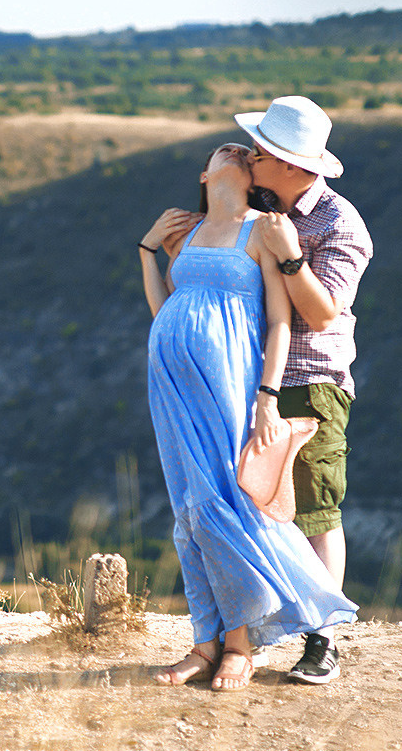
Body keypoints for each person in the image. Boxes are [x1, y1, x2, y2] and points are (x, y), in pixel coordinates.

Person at [138, 141, 357, 691]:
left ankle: (251, 641)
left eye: (254, 150)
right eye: (229, 150)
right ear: (205, 175)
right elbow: (171, 307)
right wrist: (147, 252)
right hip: (174, 387)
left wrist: (265, 394)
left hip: (253, 383)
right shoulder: (183, 235)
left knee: (236, 504)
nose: (242, 152)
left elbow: (297, 317)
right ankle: (204, 643)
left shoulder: (271, 228)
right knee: (190, 509)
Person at [240, 95, 374, 685]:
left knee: (316, 507)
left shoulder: (342, 226)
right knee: (261, 507)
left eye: (262, 152)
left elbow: (322, 316)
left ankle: (324, 641)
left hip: (312, 382)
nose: (250, 158)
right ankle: (262, 628)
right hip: (254, 378)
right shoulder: (261, 203)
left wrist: (291, 256)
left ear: (295, 166)